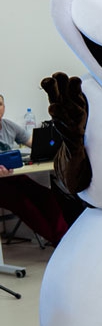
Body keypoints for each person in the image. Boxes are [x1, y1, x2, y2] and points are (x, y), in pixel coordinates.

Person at [0, 93, 68, 246]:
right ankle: (57, 241)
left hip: (13, 177)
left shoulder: (9, 126)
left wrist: (52, 147)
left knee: (45, 195)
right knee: (22, 202)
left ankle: (64, 237)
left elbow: (34, 144)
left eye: (0, 104)